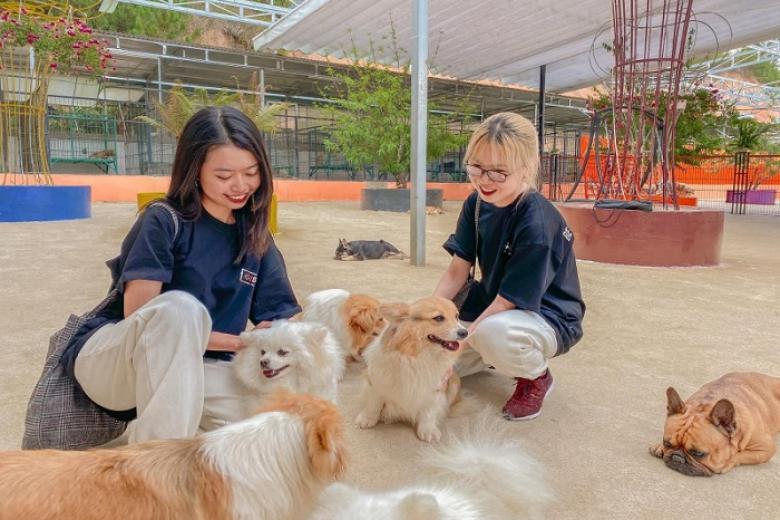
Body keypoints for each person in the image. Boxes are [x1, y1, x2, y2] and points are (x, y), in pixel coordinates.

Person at [61, 106, 301, 443]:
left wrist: (268, 340)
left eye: (251, 172)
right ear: (195, 169)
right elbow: (144, 318)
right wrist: (240, 341)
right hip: (116, 362)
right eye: (223, 175)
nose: (240, 185)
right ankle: (156, 472)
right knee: (180, 311)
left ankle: (153, 443)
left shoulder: (255, 234)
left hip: (202, 365)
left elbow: (281, 319)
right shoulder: (162, 220)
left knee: (269, 429)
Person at [433, 112, 585, 421]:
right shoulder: (476, 204)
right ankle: (490, 356)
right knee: (430, 357)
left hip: (546, 316)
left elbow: (507, 302)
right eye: (477, 167)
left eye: (499, 171)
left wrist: (458, 346)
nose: (484, 180)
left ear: (526, 169)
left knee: (490, 336)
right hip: (495, 304)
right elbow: (456, 271)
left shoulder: (537, 224)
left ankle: (536, 379)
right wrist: (428, 321)